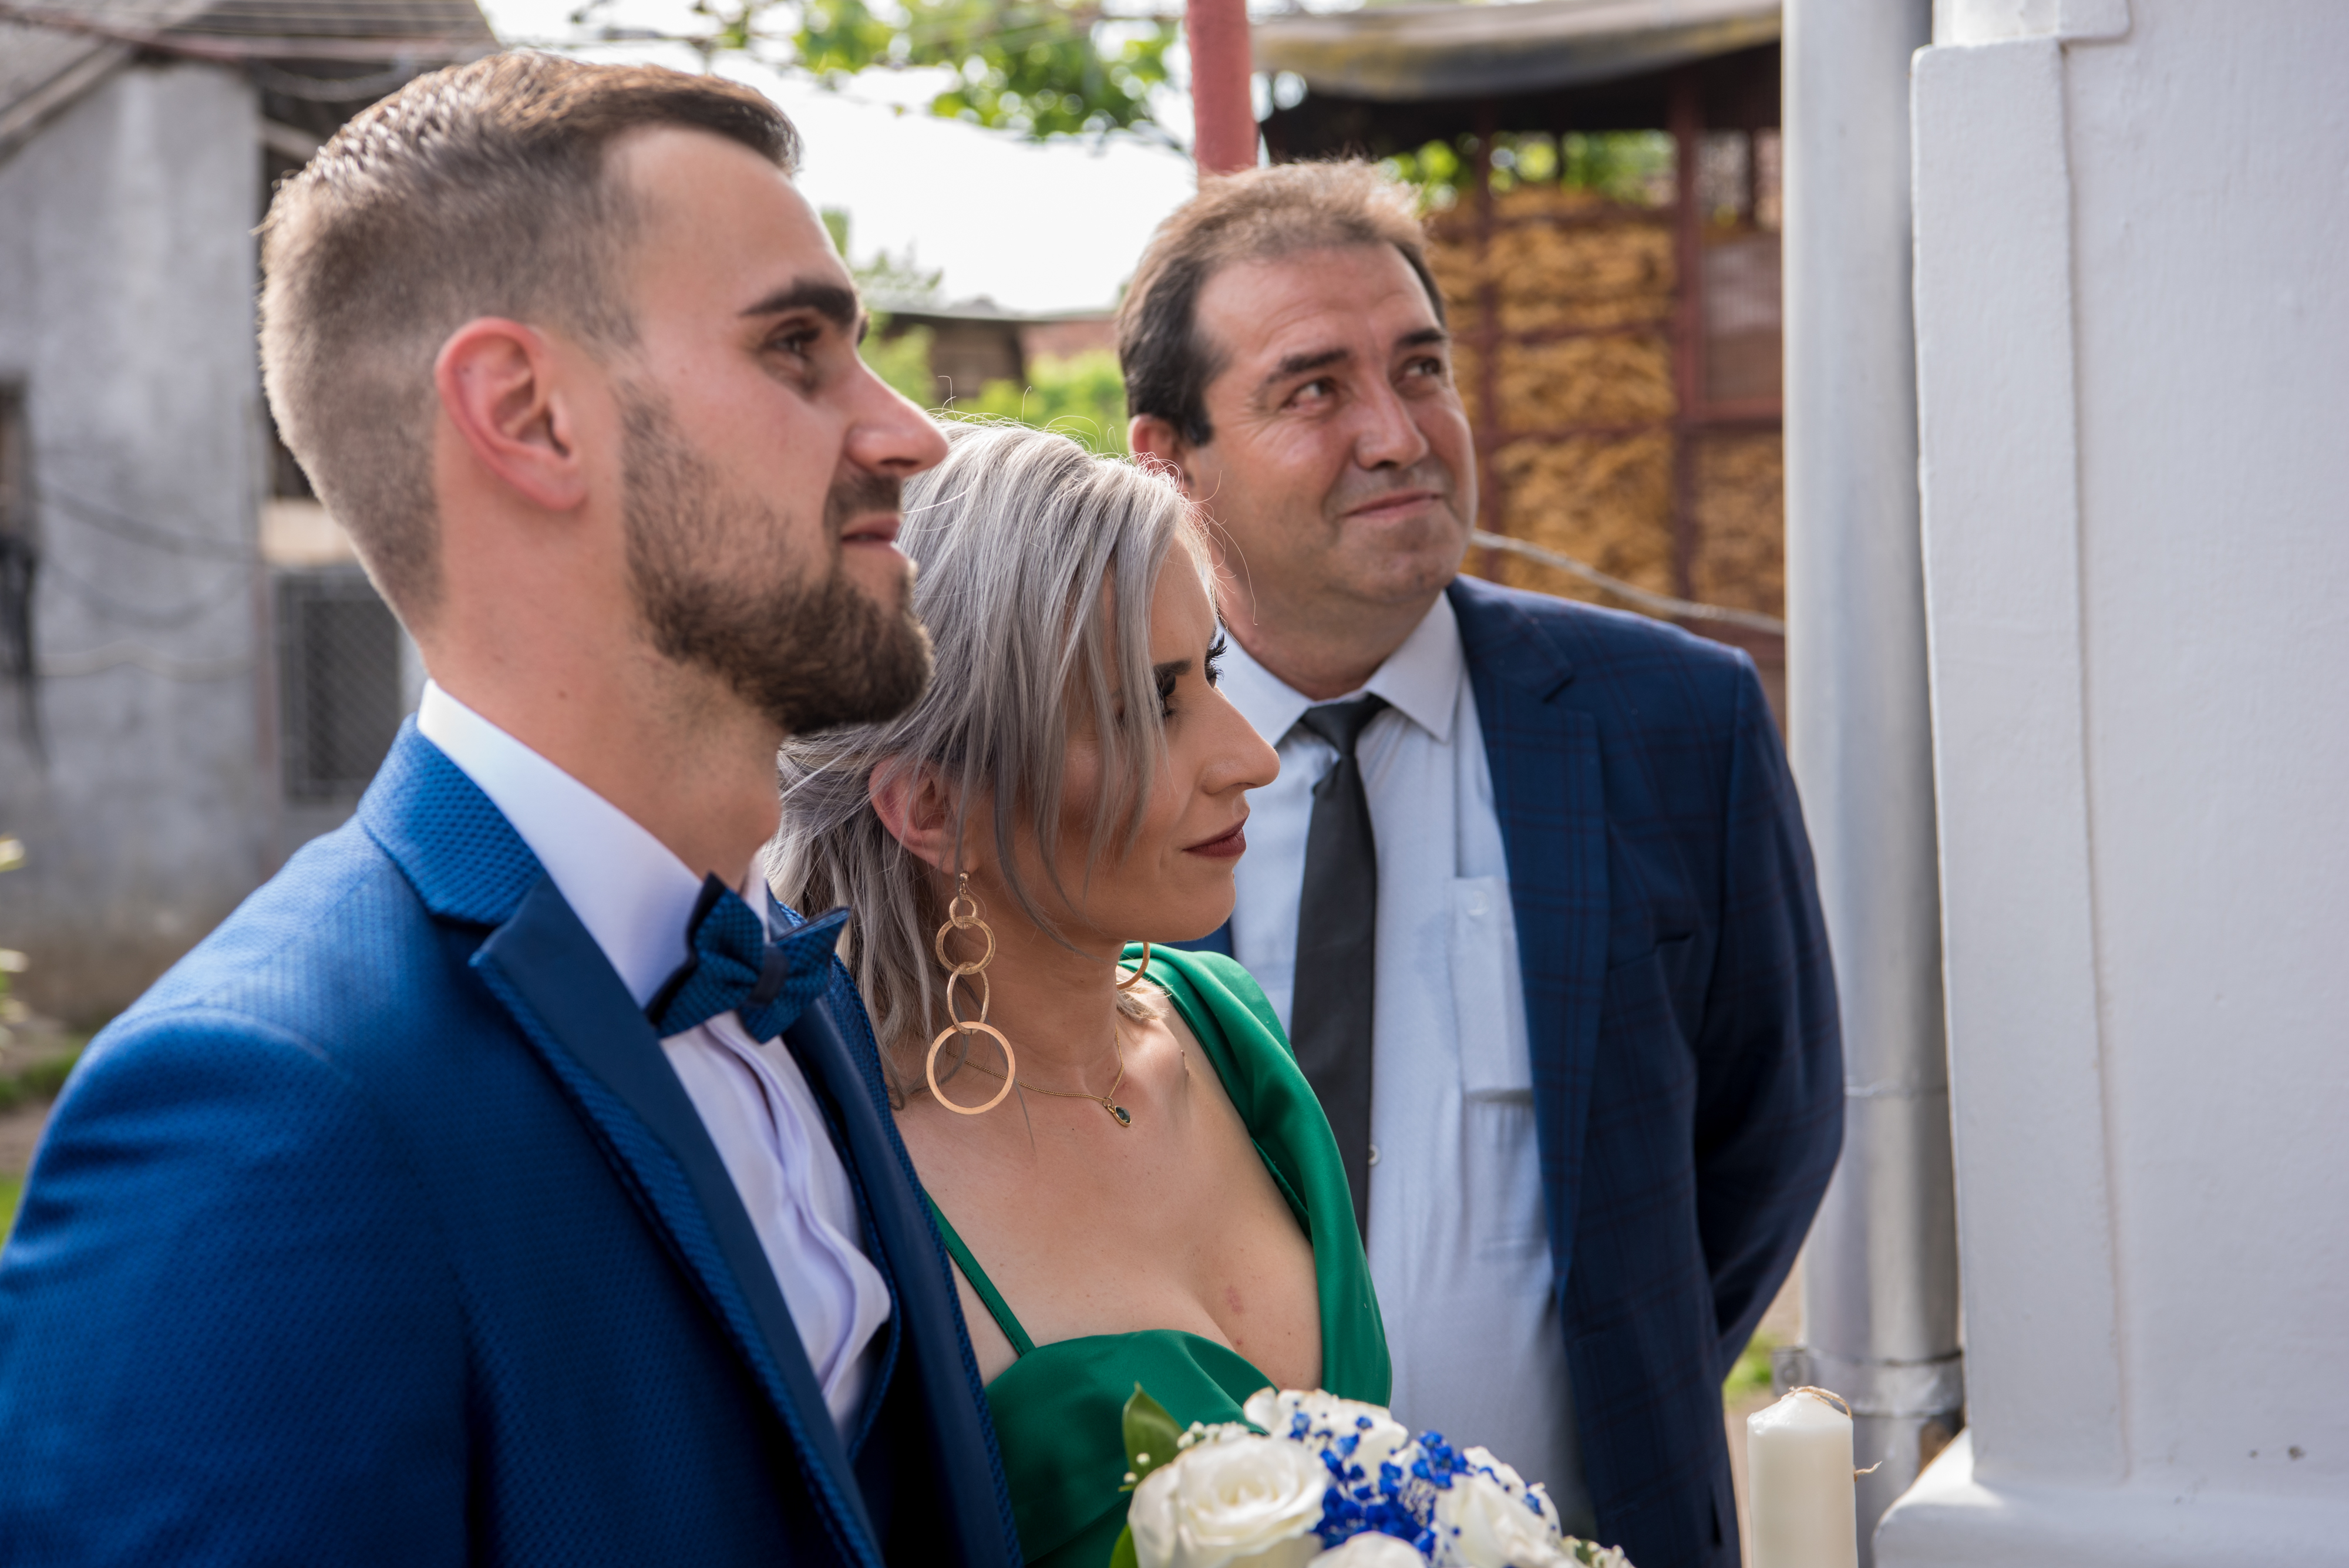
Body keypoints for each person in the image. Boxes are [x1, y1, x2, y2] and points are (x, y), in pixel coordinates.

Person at [0, 55, 1020, 1567]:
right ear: (529, 416)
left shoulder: (791, 985)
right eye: (796, 349)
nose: (909, 434)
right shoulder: (259, 1117)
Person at [1119, 163, 1843, 1568]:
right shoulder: (1082, 767)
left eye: (1421, 370)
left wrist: (1623, 1388)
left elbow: (1770, 1125)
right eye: (1313, 390)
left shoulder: (1671, 725)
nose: (1398, 436)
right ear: (1168, 458)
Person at [767, 420, 1390, 1568]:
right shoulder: (828, 1173)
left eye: (1209, 672)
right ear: (933, 806)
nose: (1252, 757)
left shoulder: (1225, 1027)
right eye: (1152, 703)